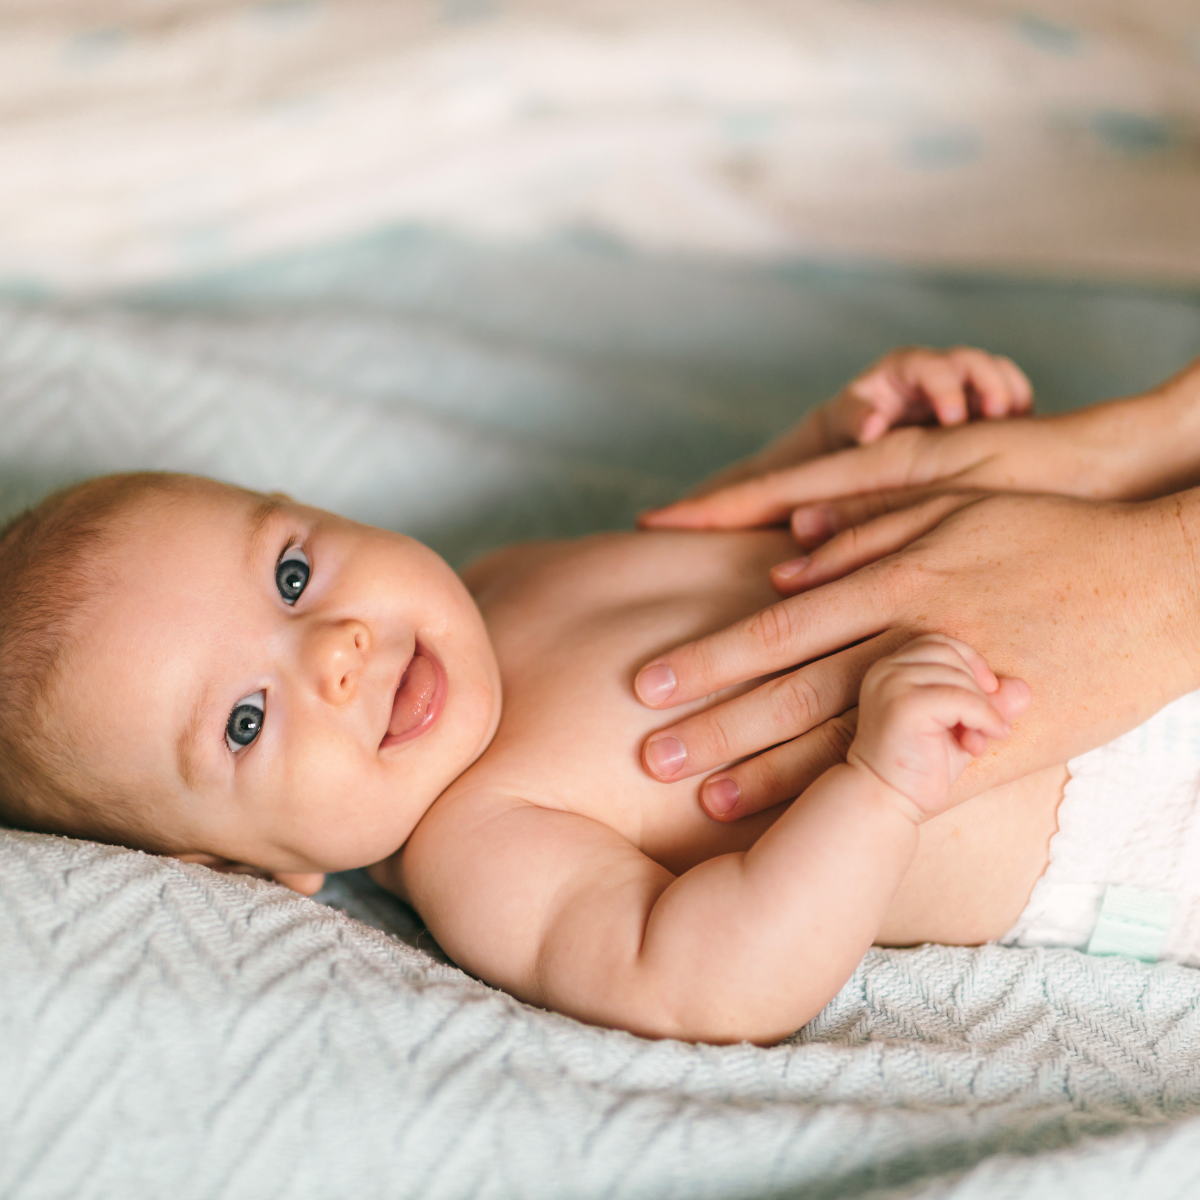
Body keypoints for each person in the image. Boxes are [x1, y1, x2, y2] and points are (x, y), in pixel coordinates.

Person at [0, 348, 1188, 1047]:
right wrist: (878, 786)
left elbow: (708, 538)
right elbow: (710, 975)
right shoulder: (483, 850)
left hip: (1080, 559)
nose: (337, 651)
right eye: (247, 722)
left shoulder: (499, 583)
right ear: (259, 871)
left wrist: (839, 444)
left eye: (292, 573)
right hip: (1118, 805)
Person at [636, 351, 1200, 824]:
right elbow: (691, 953)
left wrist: (827, 440)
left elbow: (682, 547)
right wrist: (1165, 433)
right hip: (1082, 738)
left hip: (1084, 632)